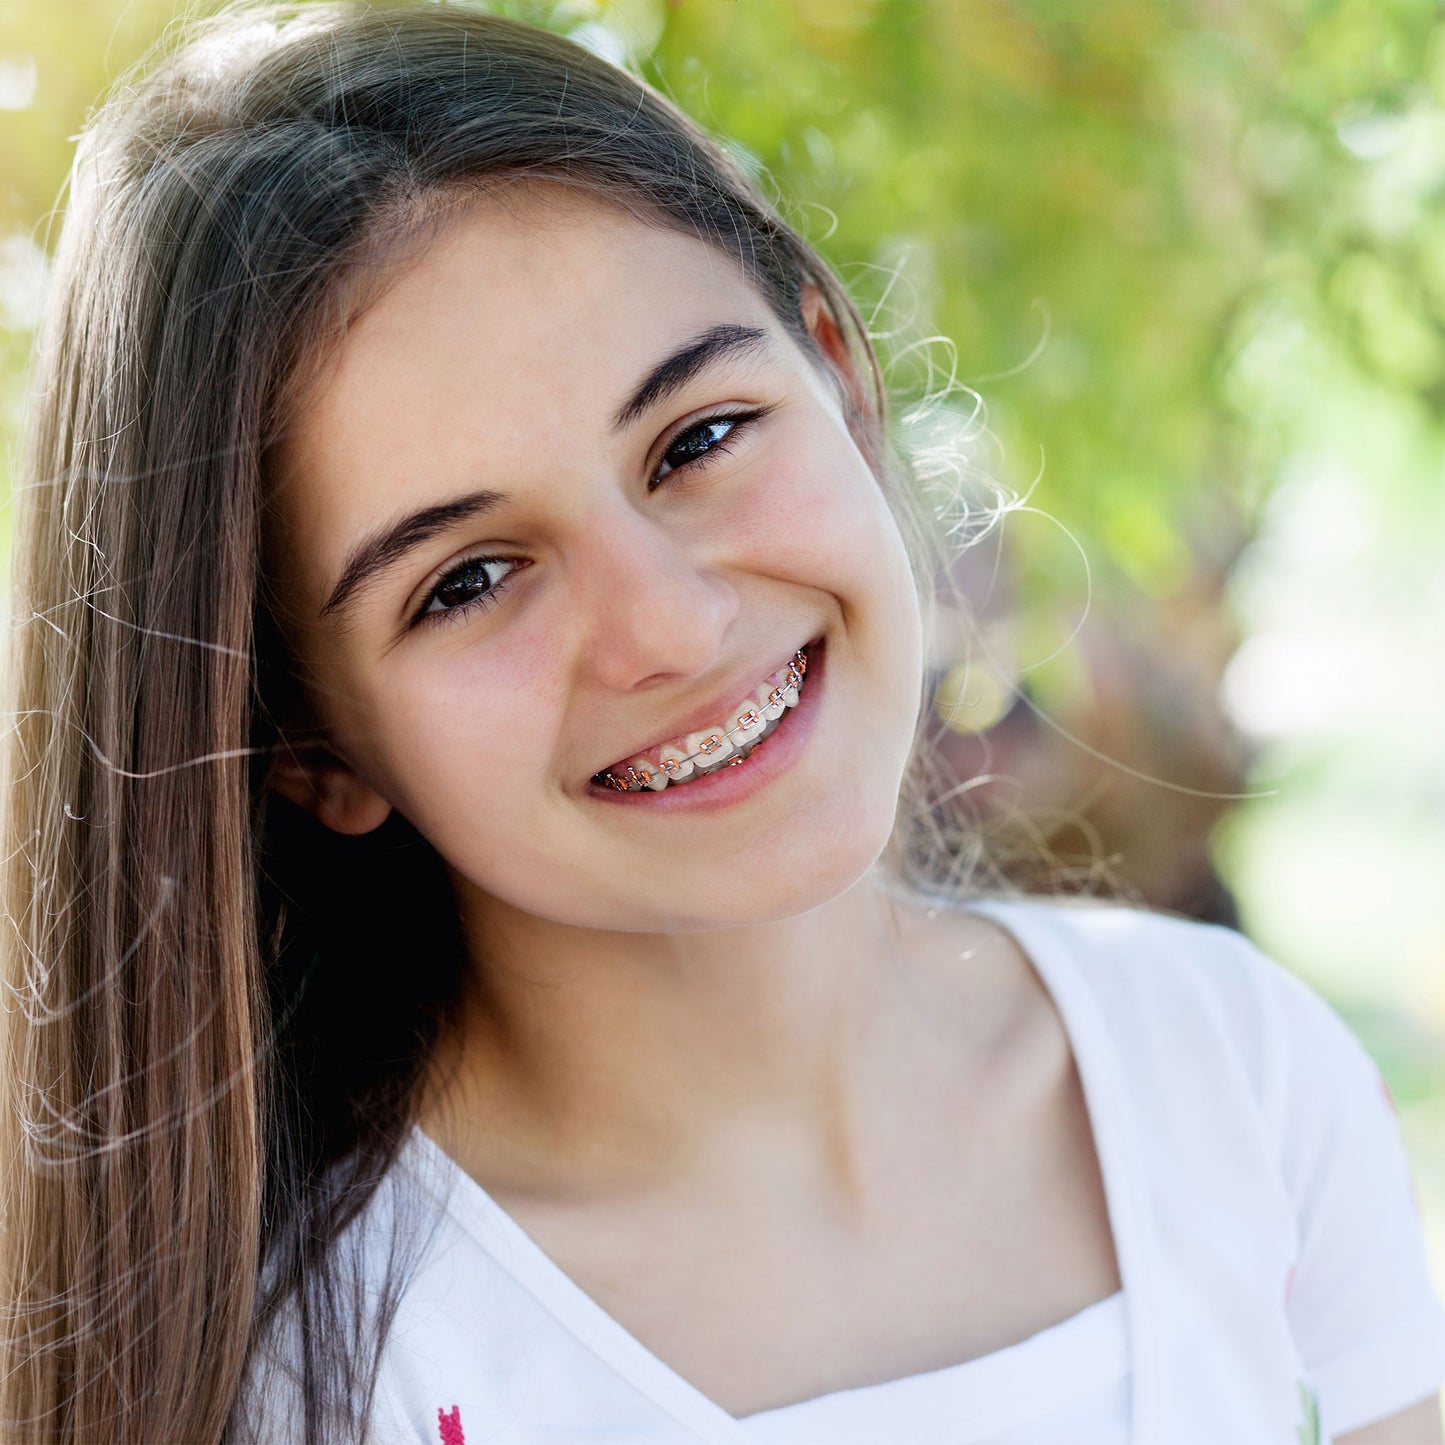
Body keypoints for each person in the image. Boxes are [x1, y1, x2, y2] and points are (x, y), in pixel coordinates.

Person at [2, 4, 1442, 1442]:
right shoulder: (293, 1372)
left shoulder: (1234, 1071)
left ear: (835, 366)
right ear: (307, 743)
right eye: (470, 580)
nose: (673, 628)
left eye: (696, 438)